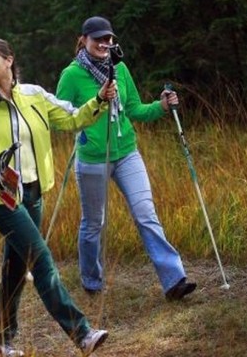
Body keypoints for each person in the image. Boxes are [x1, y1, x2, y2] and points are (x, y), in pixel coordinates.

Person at [0, 37, 109, 357]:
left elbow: (73, 118)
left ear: (9, 60)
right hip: (0, 199)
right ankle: (81, 333)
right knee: (41, 260)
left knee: (14, 267)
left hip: (34, 193)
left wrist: (99, 100)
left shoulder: (35, 96)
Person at [56, 15, 197, 301]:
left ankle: (174, 280)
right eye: (98, 39)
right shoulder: (71, 75)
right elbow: (61, 118)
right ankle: (92, 281)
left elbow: (134, 109)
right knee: (94, 222)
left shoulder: (119, 69)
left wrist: (161, 106)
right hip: (93, 157)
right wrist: (96, 102)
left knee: (146, 214)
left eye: (109, 39)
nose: (105, 44)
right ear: (83, 40)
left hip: (127, 154)